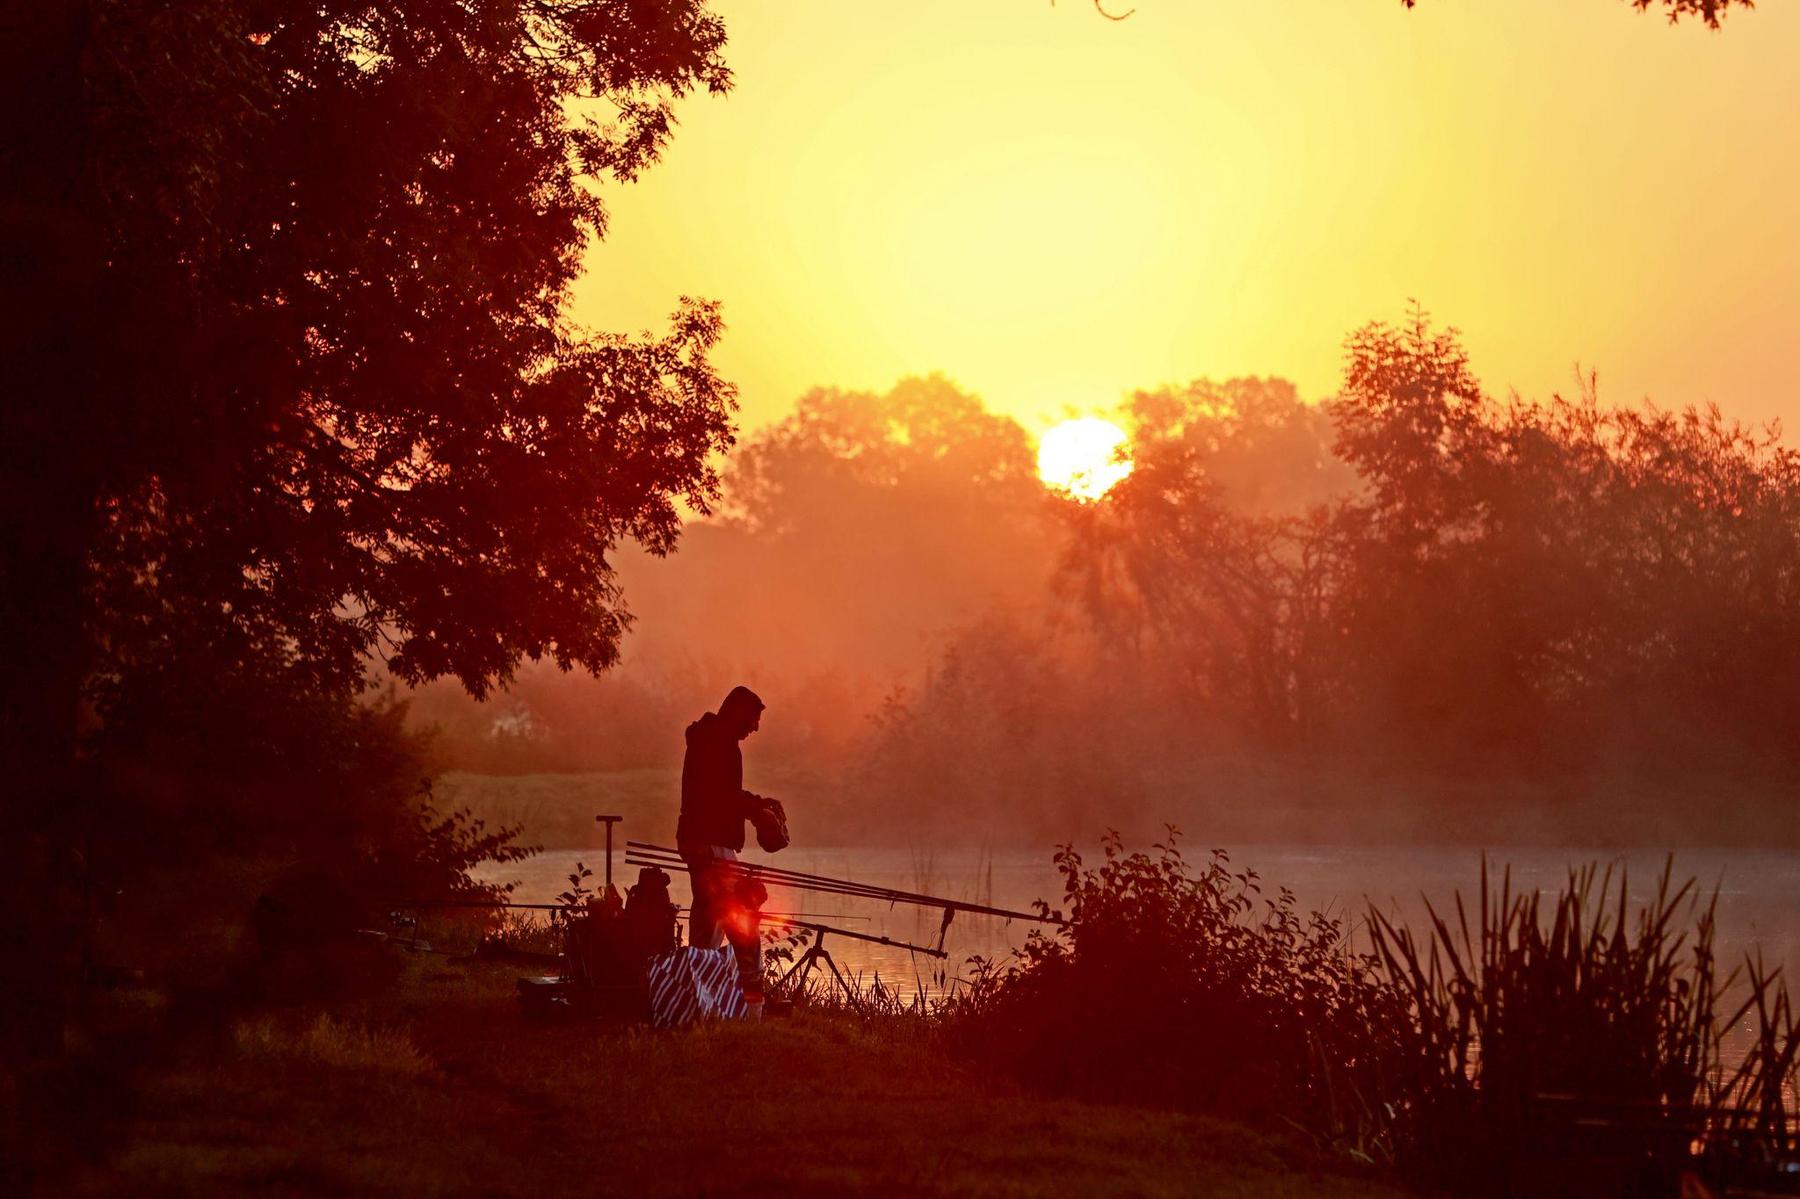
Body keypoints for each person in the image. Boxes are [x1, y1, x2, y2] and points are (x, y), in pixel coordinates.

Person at [677, 685, 774, 1018]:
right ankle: (752, 1012)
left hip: (702, 844)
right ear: (737, 713)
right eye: (753, 719)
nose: (755, 727)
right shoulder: (720, 744)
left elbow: (724, 793)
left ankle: (698, 1006)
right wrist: (756, 811)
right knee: (742, 926)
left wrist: (756, 804)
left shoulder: (711, 738)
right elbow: (721, 798)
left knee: (707, 931)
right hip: (712, 845)